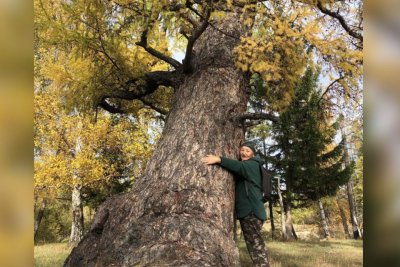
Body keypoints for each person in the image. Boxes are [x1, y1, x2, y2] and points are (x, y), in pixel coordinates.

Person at [201, 142, 270, 267]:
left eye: (247, 151)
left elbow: (237, 166)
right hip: (251, 212)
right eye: (242, 150)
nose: (243, 153)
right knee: (255, 245)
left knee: (256, 246)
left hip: (252, 212)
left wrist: (218, 159)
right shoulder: (250, 165)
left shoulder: (252, 165)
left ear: (253, 153)